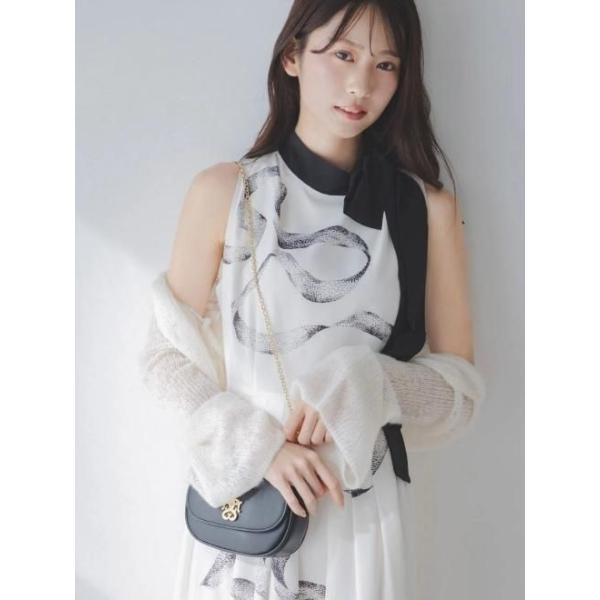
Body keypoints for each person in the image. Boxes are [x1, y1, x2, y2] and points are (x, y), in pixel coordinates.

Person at [140, 1, 485, 598]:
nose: (361, 85)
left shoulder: (424, 211)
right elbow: (163, 358)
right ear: (293, 56)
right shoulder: (227, 192)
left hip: (356, 520)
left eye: (385, 65)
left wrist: (367, 380)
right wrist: (258, 448)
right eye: (343, 55)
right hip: (246, 506)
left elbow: (460, 397)